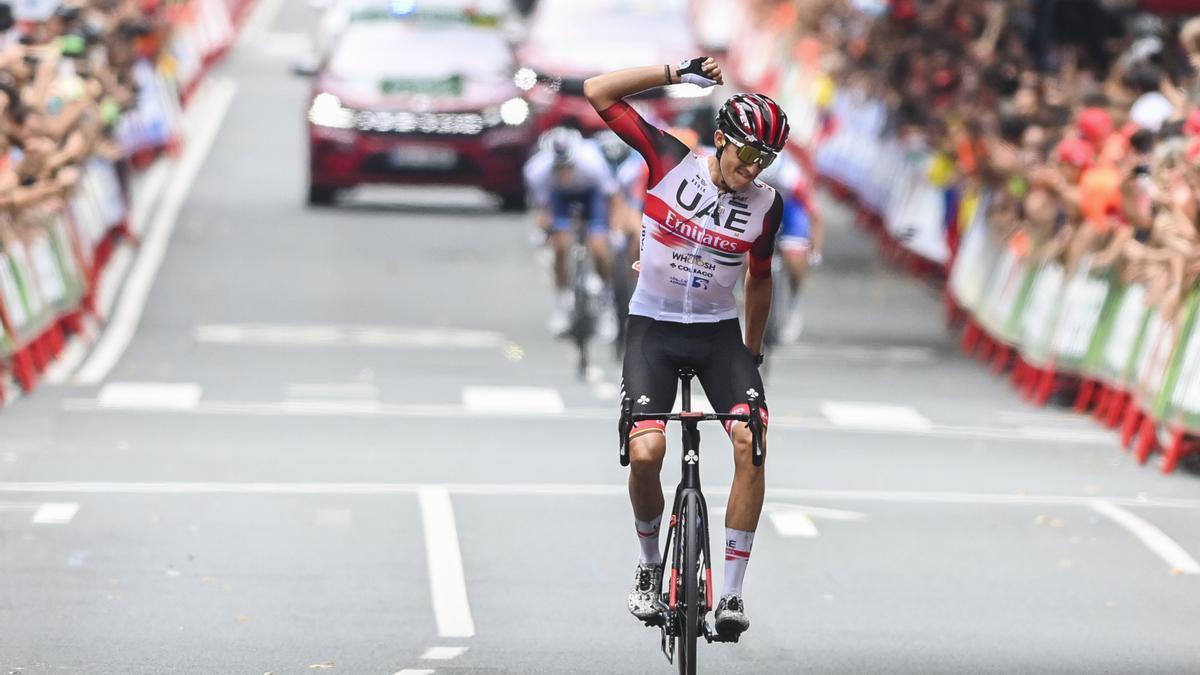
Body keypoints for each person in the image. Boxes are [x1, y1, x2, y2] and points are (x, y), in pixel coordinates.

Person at [584, 56, 786, 638]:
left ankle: (732, 596)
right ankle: (649, 569)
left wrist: (753, 349)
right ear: (722, 139)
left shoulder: (768, 208)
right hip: (655, 326)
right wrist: (674, 72)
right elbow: (599, 89)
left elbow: (762, 277)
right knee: (647, 453)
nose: (753, 167)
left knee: (751, 442)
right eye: (747, 153)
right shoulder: (671, 161)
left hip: (719, 334)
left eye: (765, 160)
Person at [524, 126, 619, 338]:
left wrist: (611, 229)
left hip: (591, 194)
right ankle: (561, 307)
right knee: (559, 246)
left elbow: (612, 198)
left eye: (569, 167)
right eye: (559, 168)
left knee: (600, 248)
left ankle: (607, 308)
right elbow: (542, 209)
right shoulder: (537, 171)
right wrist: (543, 231)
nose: (565, 173)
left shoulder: (593, 163)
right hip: (558, 197)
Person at [757, 148, 823, 342]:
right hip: (758, 205)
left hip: (791, 209)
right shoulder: (748, 172)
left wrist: (815, 251)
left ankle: (793, 304)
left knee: (794, 256)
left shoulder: (793, 179)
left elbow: (816, 217)